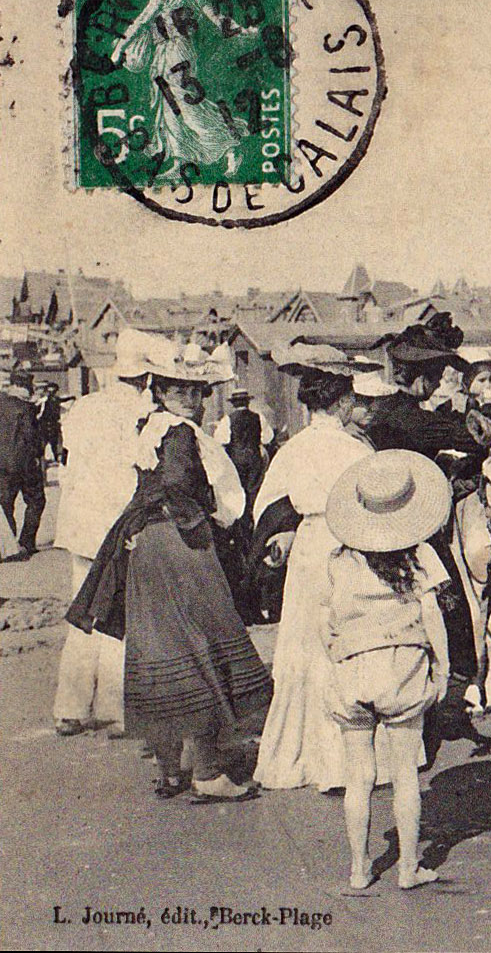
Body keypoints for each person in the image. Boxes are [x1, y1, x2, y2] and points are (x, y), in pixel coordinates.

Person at [65, 340, 270, 802]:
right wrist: (196, 517)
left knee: (158, 651)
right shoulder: (179, 432)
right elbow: (177, 484)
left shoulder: (149, 425)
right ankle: (207, 770)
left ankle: (168, 771)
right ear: (162, 390)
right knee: (201, 644)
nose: (193, 401)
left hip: (147, 545)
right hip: (178, 545)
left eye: (197, 392)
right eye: (183, 390)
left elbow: (148, 485)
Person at [253, 360, 402, 792]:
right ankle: (345, 761)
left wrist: (284, 535)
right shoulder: (355, 451)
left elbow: (267, 506)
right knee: (349, 646)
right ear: (339, 404)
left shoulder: (292, 449)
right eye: (351, 398)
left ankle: (299, 756)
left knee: (307, 644)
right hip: (348, 547)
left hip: (309, 547)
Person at [320, 451, 453, 891]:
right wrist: (443, 670)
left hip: (351, 671)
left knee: (358, 778)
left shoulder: (338, 559)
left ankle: (359, 869)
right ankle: (409, 868)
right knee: (405, 776)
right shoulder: (418, 557)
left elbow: (326, 623)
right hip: (400, 669)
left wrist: (340, 657)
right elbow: (433, 618)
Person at [365, 315, 486, 689]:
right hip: (414, 520)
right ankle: (454, 677)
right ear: (420, 378)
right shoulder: (414, 419)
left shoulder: (380, 411)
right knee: (446, 596)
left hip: (377, 518)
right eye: (433, 379)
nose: (435, 387)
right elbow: (474, 438)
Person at [51, 331, 157, 737]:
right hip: (115, 522)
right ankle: (114, 705)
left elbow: (70, 458)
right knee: (116, 612)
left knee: (83, 611)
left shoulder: (83, 408)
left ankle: (70, 706)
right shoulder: (141, 414)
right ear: (146, 378)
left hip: (80, 522)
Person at [107, 0, 250, 183]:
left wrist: (120, 47)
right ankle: (180, 160)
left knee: (184, 104)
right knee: (169, 106)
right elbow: (217, 20)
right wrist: (239, 29)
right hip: (169, 53)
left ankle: (229, 145)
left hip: (176, 52)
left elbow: (142, 21)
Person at [0, 368, 45, 560]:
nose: (30, 391)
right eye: (28, 387)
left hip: (2, 464)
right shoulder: (26, 409)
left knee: (5, 503)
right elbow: (31, 438)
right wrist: (38, 455)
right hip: (25, 464)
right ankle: (26, 542)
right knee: (36, 500)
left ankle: (8, 546)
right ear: (20, 387)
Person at [214, 389, 273, 506]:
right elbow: (268, 438)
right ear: (247, 402)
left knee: (238, 490)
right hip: (254, 458)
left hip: (235, 459)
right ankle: (253, 517)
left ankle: (242, 519)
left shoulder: (228, 419)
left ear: (233, 403)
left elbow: (220, 440)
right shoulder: (258, 417)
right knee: (254, 490)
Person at [36, 382, 64, 465]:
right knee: (43, 443)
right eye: (49, 391)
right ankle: (40, 459)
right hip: (44, 424)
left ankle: (56, 458)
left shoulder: (55, 399)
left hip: (53, 424)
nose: (51, 393)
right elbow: (38, 411)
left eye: (53, 391)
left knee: (54, 442)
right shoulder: (43, 400)